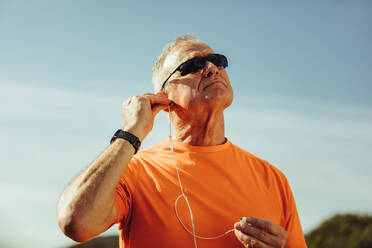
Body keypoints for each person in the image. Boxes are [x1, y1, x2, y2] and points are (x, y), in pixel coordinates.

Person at [57, 34, 307, 248]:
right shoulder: (135, 170)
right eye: (193, 65)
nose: (211, 68)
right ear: (164, 98)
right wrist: (132, 130)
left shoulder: (273, 179)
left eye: (218, 61)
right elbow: (76, 221)